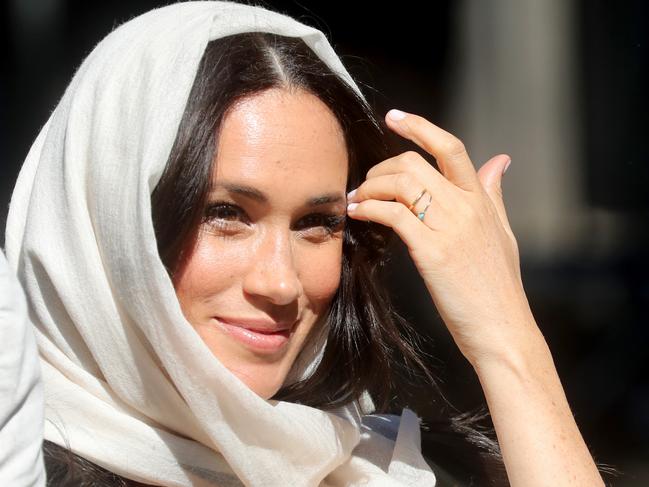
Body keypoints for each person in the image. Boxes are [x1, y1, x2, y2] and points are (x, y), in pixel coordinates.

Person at [2, 1, 607, 486]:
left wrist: (508, 340)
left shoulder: (394, 469)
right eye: (226, 213)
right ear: (108, 222)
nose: (281, 283)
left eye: (317, 224)